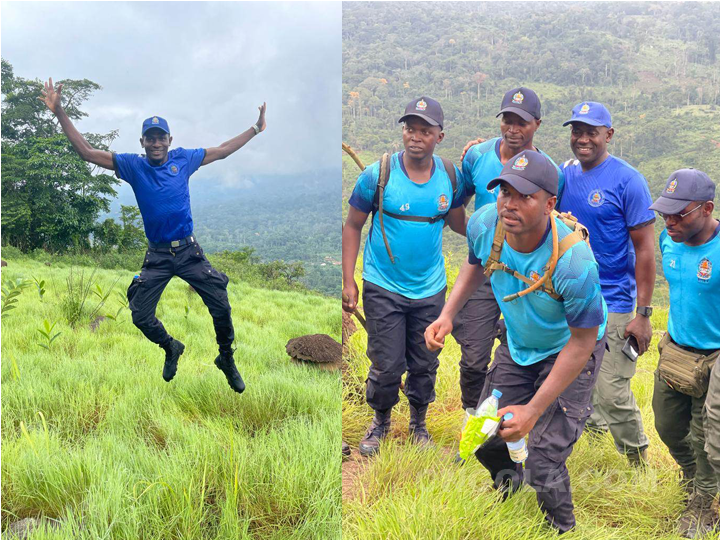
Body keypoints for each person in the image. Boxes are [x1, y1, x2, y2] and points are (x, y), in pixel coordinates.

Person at [39, 77, 266, 393]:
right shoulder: (132, 166)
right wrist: (59, 111)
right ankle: (171, 346)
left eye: (161, 138)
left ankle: (226, 358)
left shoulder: (184, 159)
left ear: (170, 139)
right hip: (157, 255)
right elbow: (87, 152)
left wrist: (256, 129)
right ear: (142, 142)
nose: (156, 143)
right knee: (140, 314)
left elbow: (224, 150)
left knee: (221, 304)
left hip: (189, 251)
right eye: (150, 138)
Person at [425, 150, 607, 534]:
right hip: (520, 344)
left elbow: (582, 343)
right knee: (486, 435)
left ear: (550, 203)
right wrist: (447, 314)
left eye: (525, 195)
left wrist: (533, 410)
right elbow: (476, 264)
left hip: (569, 350)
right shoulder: (486, 223)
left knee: (543, 455)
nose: (510, 203)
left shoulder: (575, 263)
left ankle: (560, 527)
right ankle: (509, 487)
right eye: (504, 191)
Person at [342, 96, 466, 456]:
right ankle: (379, 423)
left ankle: (419, 425)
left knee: (425, 360)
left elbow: (460, 225)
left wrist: (502, 235)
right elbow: (353, 225)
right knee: (386, 362)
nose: (415, 136)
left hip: (430, 288)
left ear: (439, 136)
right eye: (410, 128)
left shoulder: (449, 176)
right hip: (383, 285)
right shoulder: (377, 175)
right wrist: (349, 280)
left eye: (425, 131)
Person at [455, 87, 564, 422]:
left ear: (537, 124)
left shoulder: (546, 170)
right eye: (508, 120)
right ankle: (475, 422)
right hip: (485, 269)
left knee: (518, 351)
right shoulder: (476, 155)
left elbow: (554, 225)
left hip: (524, 274)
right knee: (473, 355)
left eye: (522, 122)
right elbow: (457, 201)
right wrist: (476, 239)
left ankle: (520, 420)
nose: (513, 129)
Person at [557, 102, 656, 465]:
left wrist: (643, 314)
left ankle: (637, 460)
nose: (583, 139)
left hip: (614, 301)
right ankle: (596, 446)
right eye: (576, 131)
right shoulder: (564, 174)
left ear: (608, 135)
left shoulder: (628, 180)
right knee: (577, 380)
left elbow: (645, 250)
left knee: (612, 390)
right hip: (571, 297)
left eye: (591, 132)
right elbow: (527, 178)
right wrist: (480, 150)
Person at [650, 169, 720, 538]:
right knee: (666, 424)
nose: (670, 222)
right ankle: (692, 475)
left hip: (714, 356)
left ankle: (703, 503)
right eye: (666, 213)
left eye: (680, 214)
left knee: (703, 432)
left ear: (707, 209)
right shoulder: (668, 241)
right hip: (676, 350)